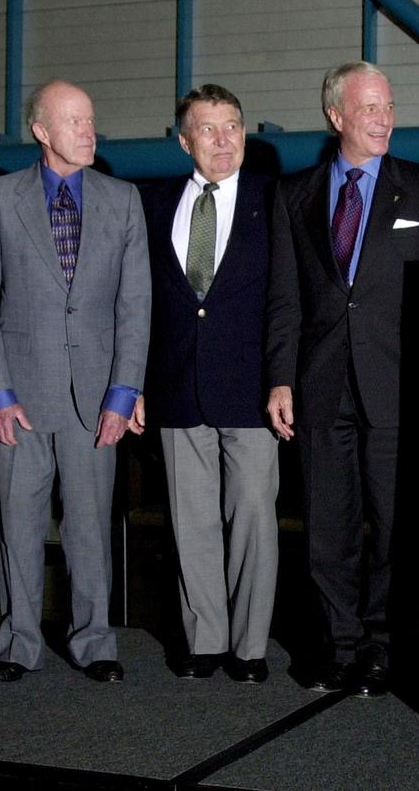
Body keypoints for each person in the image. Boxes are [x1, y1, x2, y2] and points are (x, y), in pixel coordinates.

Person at [266, 61, 419, 698]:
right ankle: (337, 646)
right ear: (336, 116)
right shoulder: (295, 194)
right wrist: (280, 378)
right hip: (320, 385)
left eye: (388, 106)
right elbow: (286, 299)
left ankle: (384, 644)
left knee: (395, 526)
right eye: (369, 108)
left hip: (396, 386)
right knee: (327, 527)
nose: (383, 119)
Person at [0, 79, 150, 683]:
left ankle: (94, 641)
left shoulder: (123, 200)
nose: (88, 132)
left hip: (97, 401)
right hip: (19, 400)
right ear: (42, 133)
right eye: (74, 122)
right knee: (17, 525)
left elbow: (135, 308)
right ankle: (17, 643)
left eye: (91, 120)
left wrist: (123, 394)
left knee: (90, 525)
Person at [132, 84, 279, 683]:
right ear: (184, 140)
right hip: (174, 384)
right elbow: (136, 303)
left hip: (252, 389)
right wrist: (131, 383)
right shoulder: (151, 203)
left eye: (233, 126)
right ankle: (205, 641)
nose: (224, 140)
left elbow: (288, 302)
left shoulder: (276, 202)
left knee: (252, 517)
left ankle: (249, 647)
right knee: (189, 519)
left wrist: (283, 379)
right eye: (209, 129)